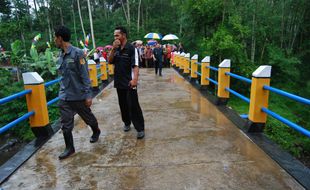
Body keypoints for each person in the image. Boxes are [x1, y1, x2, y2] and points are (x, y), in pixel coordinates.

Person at [54, 26, 101, 160]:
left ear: (60, 38)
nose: (54, 41)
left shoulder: (78, 53)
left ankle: (96, 130)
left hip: (78, 95)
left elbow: (85, 75)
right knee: (65, 123)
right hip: (64, 95)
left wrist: (88, 94)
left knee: (88, 118)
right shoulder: (60, 55)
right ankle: (70, 148)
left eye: (55, 38)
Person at [108, 26, 145, 139]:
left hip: (130, 82)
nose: (115, 37)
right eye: (114, 35)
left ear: (123, 35)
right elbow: (110, 61)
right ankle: (127, 122)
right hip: (119, 82)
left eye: (117, 35)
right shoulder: (117, 48)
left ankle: (140, 128)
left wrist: (135, 80)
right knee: (123, 105)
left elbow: (136, 65)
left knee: (133, 105)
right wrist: (113, 49)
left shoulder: (131, 48)